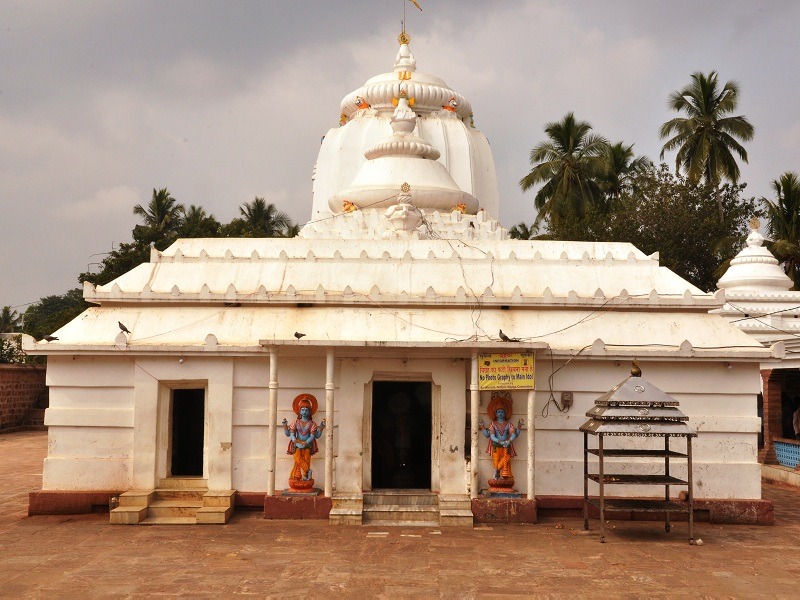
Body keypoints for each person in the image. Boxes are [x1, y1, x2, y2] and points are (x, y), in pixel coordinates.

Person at [283, 396, 325, 482]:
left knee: (306, 460)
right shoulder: (295, 422)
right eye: (302, 409)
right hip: (297, 445)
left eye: (306, 410)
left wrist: (321, 428)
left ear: (310, 412)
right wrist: (285, 426)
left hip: (307, 445)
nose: (304, 411)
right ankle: (307, 471)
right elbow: (289, 434)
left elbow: (314, 436)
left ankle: (305, 476)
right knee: (297, 458)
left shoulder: (312, 423)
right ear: (299, 411)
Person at [479, 403, 522, 481]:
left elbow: (514, 434)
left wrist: (509, 440)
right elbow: (490, 436)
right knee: (496, 460)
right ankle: (497, 475)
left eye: (502, 412)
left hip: (506, 445)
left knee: (507, 458)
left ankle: (497, 471)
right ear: (495, 413)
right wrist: (482, 427)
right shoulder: (493, 424)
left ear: (505, 413)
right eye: (498, 412)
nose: (500, 414)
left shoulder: (508, 424)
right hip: (496, 445)